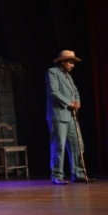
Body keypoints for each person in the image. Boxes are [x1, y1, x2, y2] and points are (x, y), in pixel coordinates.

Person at [46, 50, 94, 184]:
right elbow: (53, 92)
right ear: (62, 62)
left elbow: (75, 92)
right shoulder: (52, 72)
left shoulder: (68, 76)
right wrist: (69, 103)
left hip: (72, 116)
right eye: (70, 63)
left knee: (77, 145)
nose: (73, 65)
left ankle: (78, 174)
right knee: (58, 146)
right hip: (59, 115)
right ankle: (57, 175)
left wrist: (77, 102)